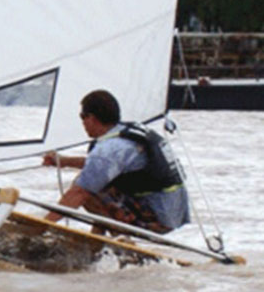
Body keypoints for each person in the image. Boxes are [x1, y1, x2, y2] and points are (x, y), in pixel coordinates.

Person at [41, 90, 190, 235]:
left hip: (157, 218)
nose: (82, 123)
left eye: (82, 116)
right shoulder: (124, 134)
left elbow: (80, 192)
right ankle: (98, 239)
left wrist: (42, 226)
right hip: (174, 213)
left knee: (89, 191)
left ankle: (120, 245)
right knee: (96, 181)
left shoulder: (109, 149)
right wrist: (63, 161)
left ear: (92, 118)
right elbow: (103, 167)